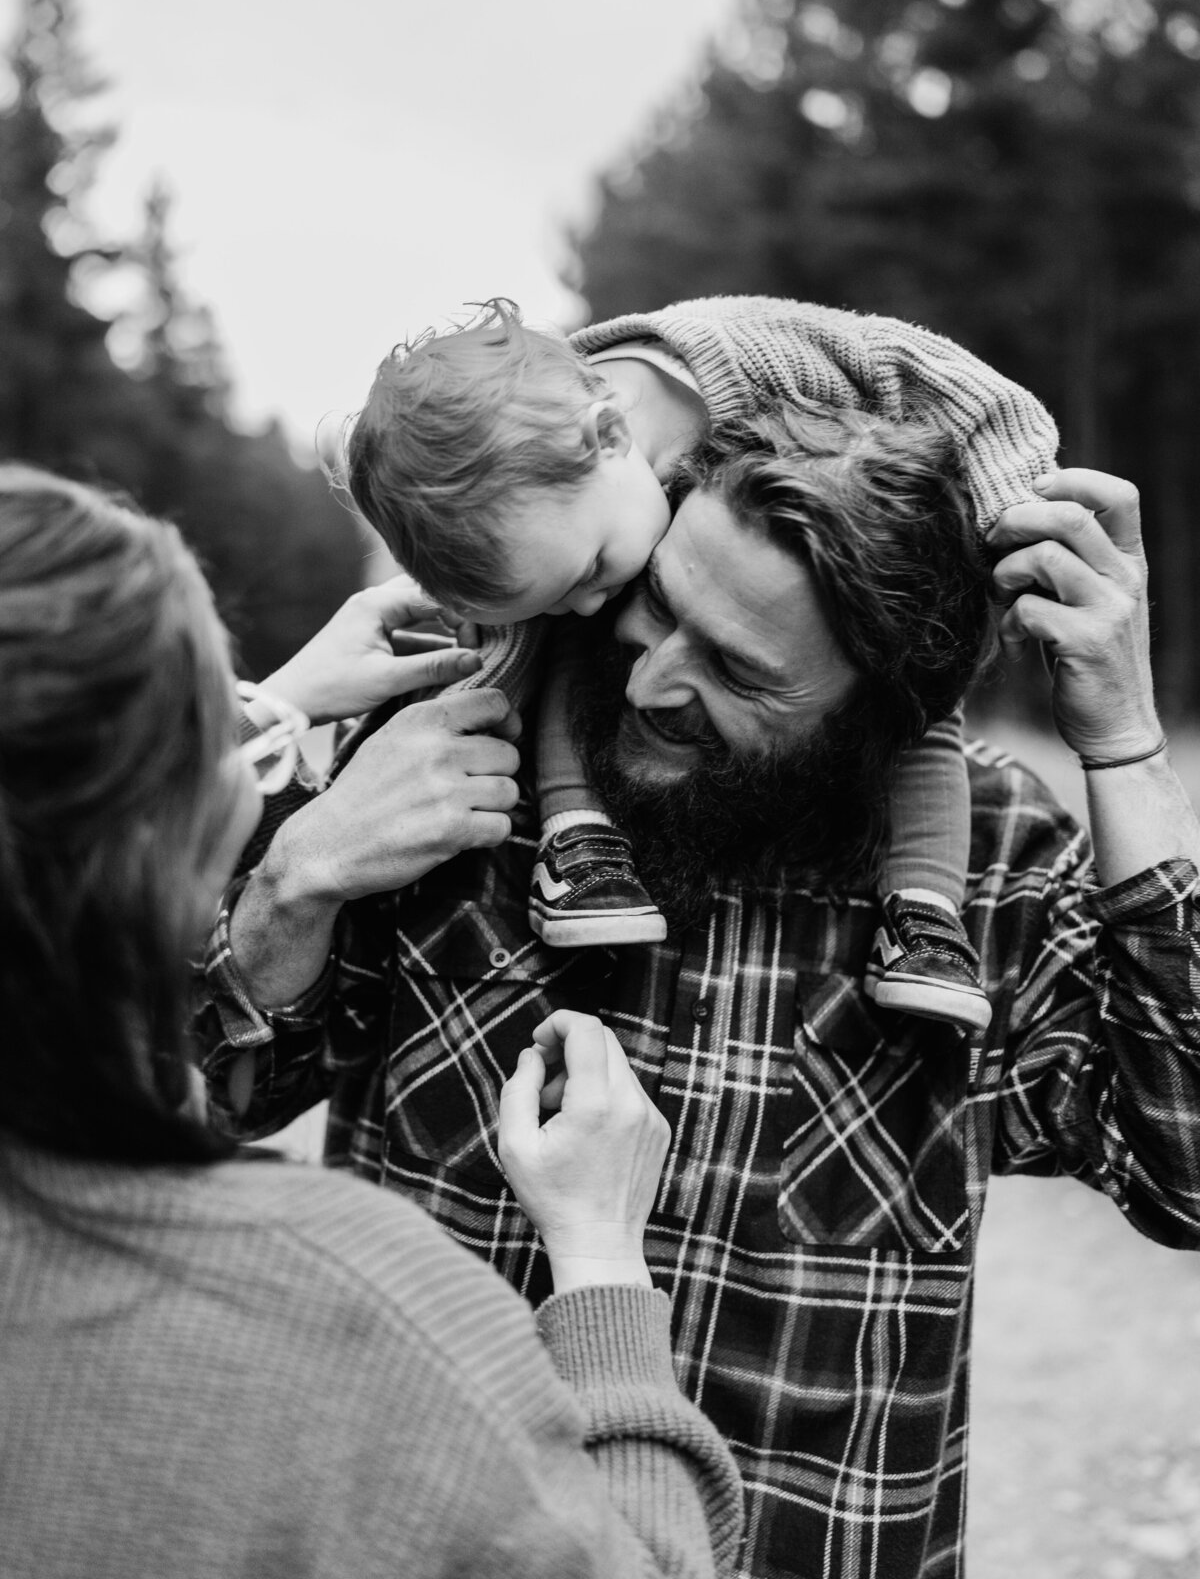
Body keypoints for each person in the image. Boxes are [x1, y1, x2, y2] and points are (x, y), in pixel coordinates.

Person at [199, 404, 1200, 1579]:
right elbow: (204, 1106)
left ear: (885, 715)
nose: (655, 681)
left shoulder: (989, 871)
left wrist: (1125, 744)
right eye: (662, 604)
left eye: (738, 670)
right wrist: (296, 877)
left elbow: (1185, 1169)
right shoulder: (452, 767)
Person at [0, 463, 744, 1579]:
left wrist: (275, 711)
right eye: (244, 749)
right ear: (196, 833)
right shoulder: (359, 1299)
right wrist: (598, 1269)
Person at [343, 294, 1058, 1033]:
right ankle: (579, 844)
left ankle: (923, 917)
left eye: (739, 670)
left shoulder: (751, 356)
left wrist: (1011, 530)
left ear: (613, 434)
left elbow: (968, 392)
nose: (597, 615)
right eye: (655, 597)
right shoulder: (530, 487)